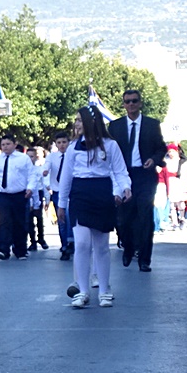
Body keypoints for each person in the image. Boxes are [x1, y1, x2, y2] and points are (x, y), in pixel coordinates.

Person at [59, 106, 132, 309]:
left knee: (101, 245)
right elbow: (66, 177)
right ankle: (83, 290)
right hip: (80, 193)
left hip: (101, 192)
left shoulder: (110, 145)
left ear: (91, 122)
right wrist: (61, 204)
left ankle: (104, 289)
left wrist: (125, 188)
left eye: (80, 120)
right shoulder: (74, 147)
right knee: (81, 244)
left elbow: (120, 171)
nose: (77, 124)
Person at [108, 89, 167, 272]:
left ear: (140, 103)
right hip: (124, 175)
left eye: (134, 101)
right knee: (125, 217)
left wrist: (154, 160)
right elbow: (109, 151)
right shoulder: (115, 127)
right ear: (124, 104)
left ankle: (144, 259)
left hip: (145, 176)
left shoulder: (151, 125)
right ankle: (128, 247)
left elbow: (161, 148)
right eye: (127, 102)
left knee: (145, 216)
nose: (131, 105)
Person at [0, 134, 37, 261]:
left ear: (15, 145)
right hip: (3, 194)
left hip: (20, 194)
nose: (5, 147)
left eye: (8, 144)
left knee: (20, 222)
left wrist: (30, 188)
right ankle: (4, 249)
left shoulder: (23, 159)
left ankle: (20, 250)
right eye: (3, 144)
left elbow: (31, 175)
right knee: (4, 221)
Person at [46, 131, 74, 261]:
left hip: (72, 192)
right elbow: (46, 167)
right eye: (59, 143)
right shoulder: (52, 157)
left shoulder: (73, 155)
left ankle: (72, 242)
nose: (62, 145)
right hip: (58, 191)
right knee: (62, 219)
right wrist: (45, 172)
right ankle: (64, 245)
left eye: (64, 142)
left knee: (71, 217)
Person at [26, 146, 49, 251]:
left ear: (36, 157)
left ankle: (41, 239)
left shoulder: (40, 169)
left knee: (39, 218)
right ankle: (32, 241)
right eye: (28, 156)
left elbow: (44, 185)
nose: (30, 159)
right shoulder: (24, 170)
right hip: (27, 194)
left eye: (32, 156)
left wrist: (46, 199)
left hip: (38, 194)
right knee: (29, 220)